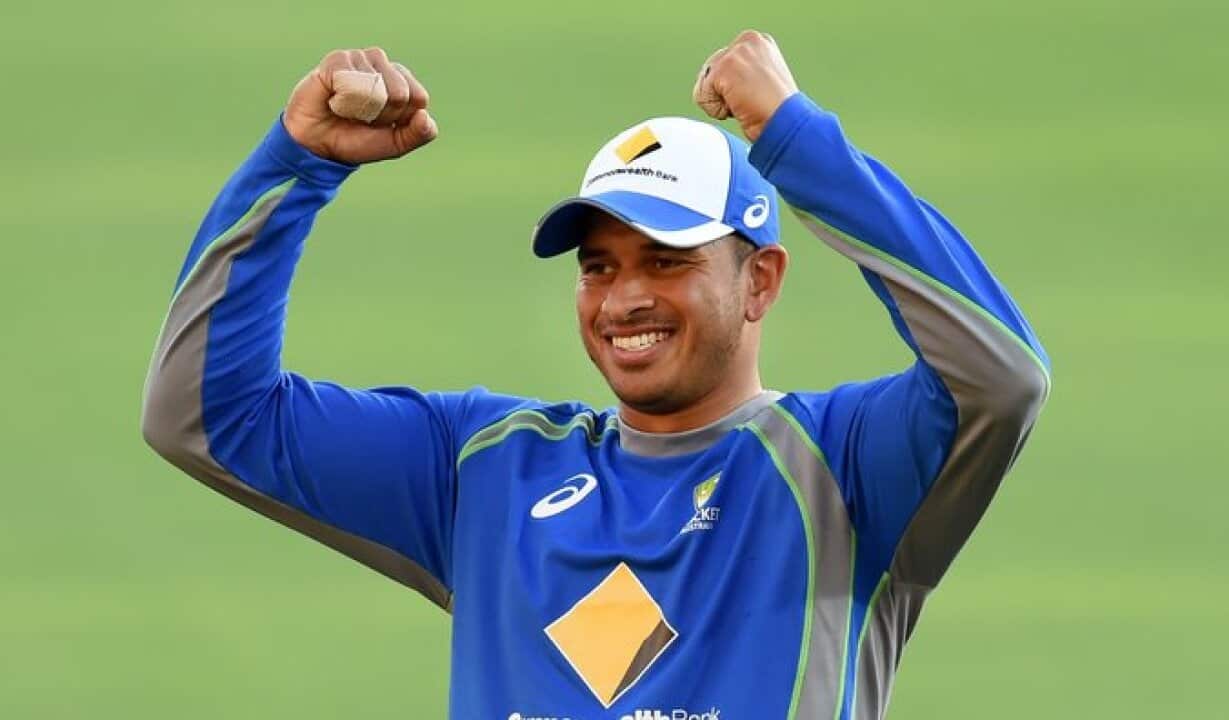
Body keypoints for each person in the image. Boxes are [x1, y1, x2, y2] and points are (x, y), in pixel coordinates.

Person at [142, 30, 1050, 720]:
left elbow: (1000, 377)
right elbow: (203, 415)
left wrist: (795, 141)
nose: (624, 300)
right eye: (599, 266)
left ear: (760, 280)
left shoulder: (848, 471)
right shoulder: (485, 467)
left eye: (667, 261)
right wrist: (294, 167)